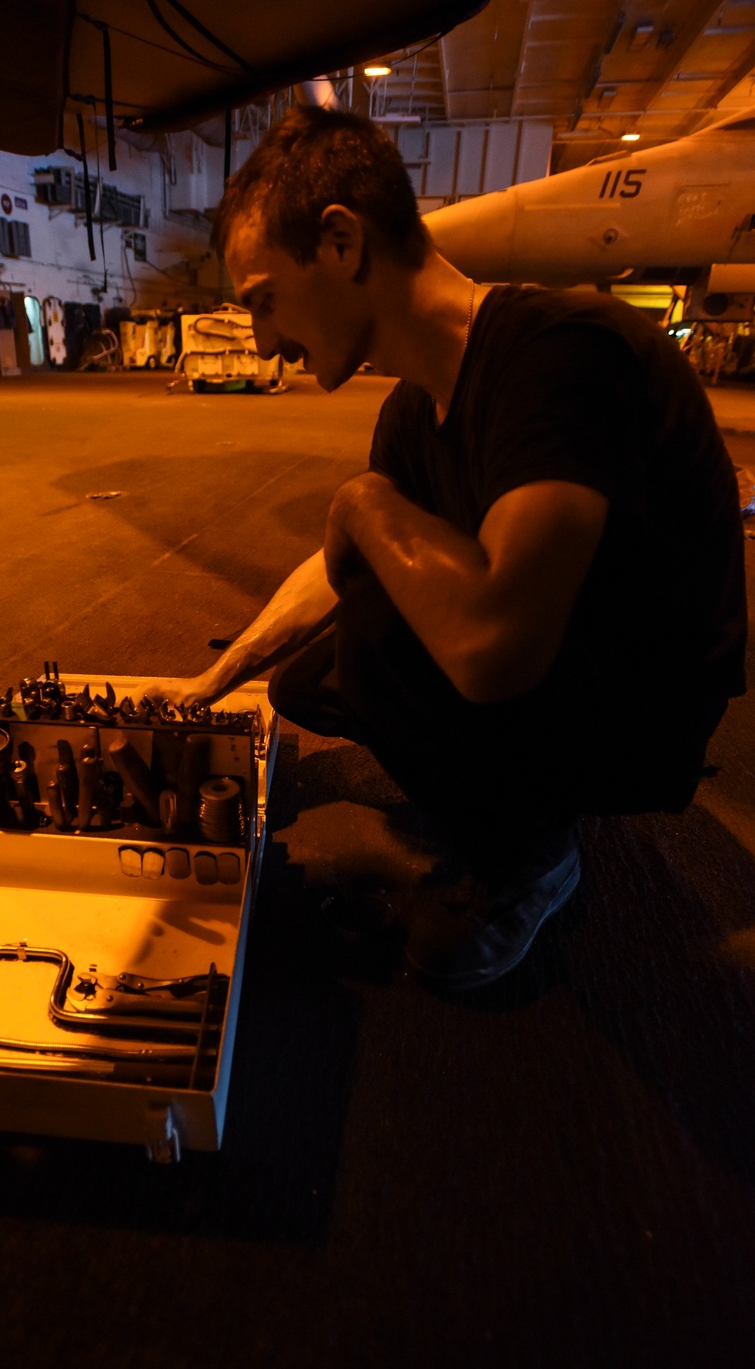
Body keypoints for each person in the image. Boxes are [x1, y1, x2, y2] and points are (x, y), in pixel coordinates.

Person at [140, 105, 747, 990]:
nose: (265, 340)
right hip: (570, 648)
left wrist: (359, 501)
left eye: (265, 301)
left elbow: (494, 649)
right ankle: (505, 784)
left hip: (646, 704)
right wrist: (211, 684)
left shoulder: (559, 351)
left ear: (341, 244)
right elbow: (342, 567)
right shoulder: (412, 408)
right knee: (310, 676)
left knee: (383, 645)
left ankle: (531, 858)